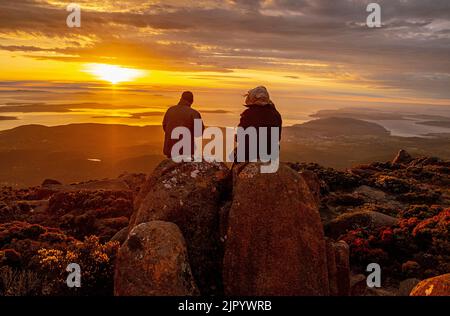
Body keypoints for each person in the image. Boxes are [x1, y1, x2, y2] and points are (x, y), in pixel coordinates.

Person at [235, 86, 282, 161]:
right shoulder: (276, 114)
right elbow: (277, 138)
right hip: (271, 154)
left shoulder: (248, 114)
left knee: (234, 155)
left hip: (251, 154)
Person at [162, 91, 204, 158]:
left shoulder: (170, 110)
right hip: (186, 152)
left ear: (181, 99)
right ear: (192, 101)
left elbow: (164, 127)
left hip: (170, 150)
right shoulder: (194, 113)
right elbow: (199, 133)